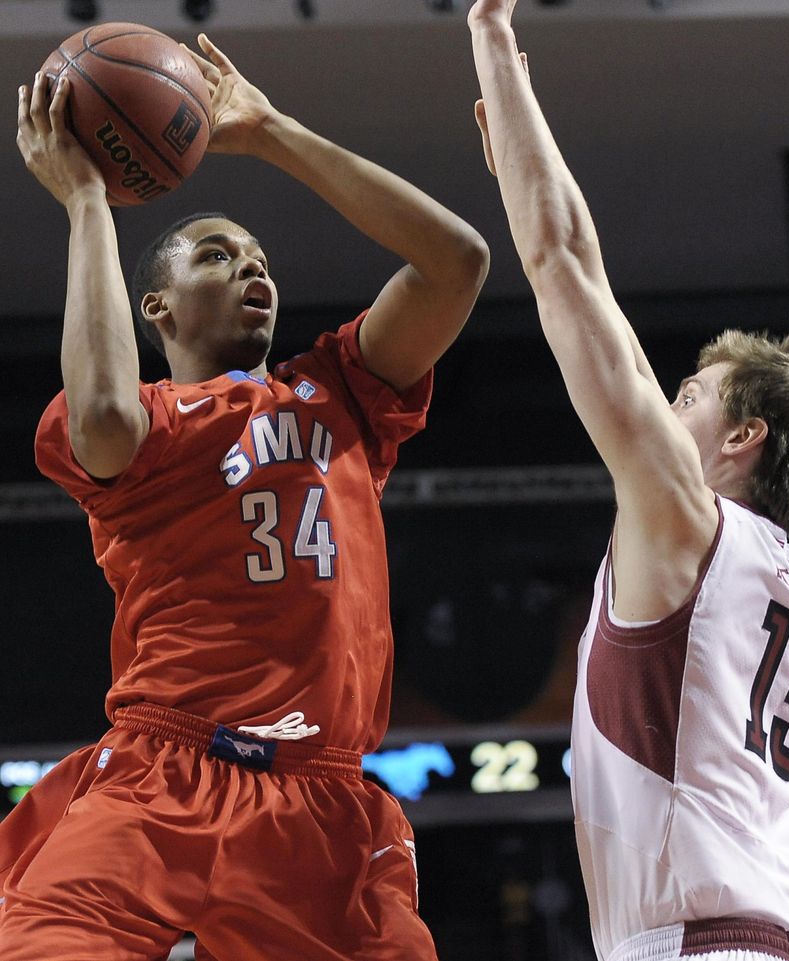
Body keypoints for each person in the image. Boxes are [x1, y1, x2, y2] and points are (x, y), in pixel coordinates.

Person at [2, 32, 488, 961]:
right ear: (159, 310)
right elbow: (99, 408)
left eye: (260, 257)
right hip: (165, 770)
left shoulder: (343, 392)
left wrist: (272, 133)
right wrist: (89, 202)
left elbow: (456, 262)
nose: (253, 268)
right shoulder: (145, 425)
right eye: (218, 257)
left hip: (324, 793)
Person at [467, 3, 789, 961]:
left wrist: (492, 39)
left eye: (690, 395)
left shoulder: (693, 523)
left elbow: (564, 264)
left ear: (744, 436)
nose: (664, 409)